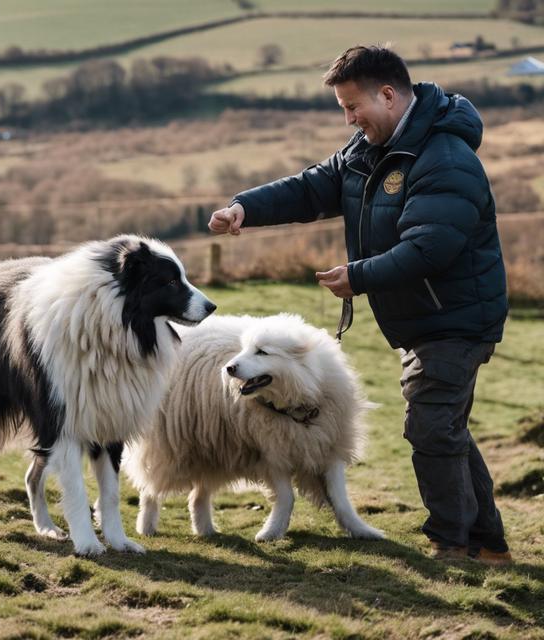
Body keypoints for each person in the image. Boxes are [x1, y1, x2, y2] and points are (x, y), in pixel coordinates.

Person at [208, 45, 511, 565]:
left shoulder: (446, 159)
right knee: (445, 428)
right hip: (426, 319)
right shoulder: (371, 148)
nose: (349, 119)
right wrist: (245, 207)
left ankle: (452, 544)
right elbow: (313, 188)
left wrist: (359, 276)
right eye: (343, 110)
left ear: (388, 95)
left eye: (353, 107)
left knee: (431, 426)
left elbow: (429, 246)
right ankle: (488, 545)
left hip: (455, 319)